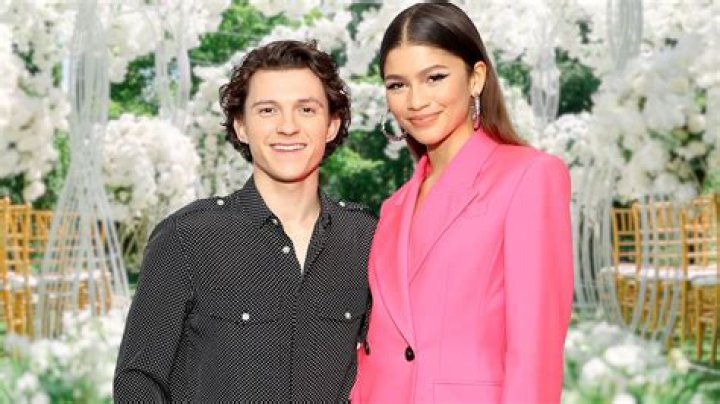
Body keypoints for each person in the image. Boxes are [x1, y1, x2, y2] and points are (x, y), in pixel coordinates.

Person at [114, 40, 376, 402]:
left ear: (332, 125)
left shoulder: (366, 239)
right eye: (268, 110)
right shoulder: (187, 238)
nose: (288, 127)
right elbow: (138, 380)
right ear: (241, 126)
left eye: (306, 109)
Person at [351, 2, 574, 403]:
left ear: (476, 78)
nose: (416, 100)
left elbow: (535, 352)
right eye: (397, 85)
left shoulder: (529, 177)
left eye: (434, 78)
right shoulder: (393, 207)